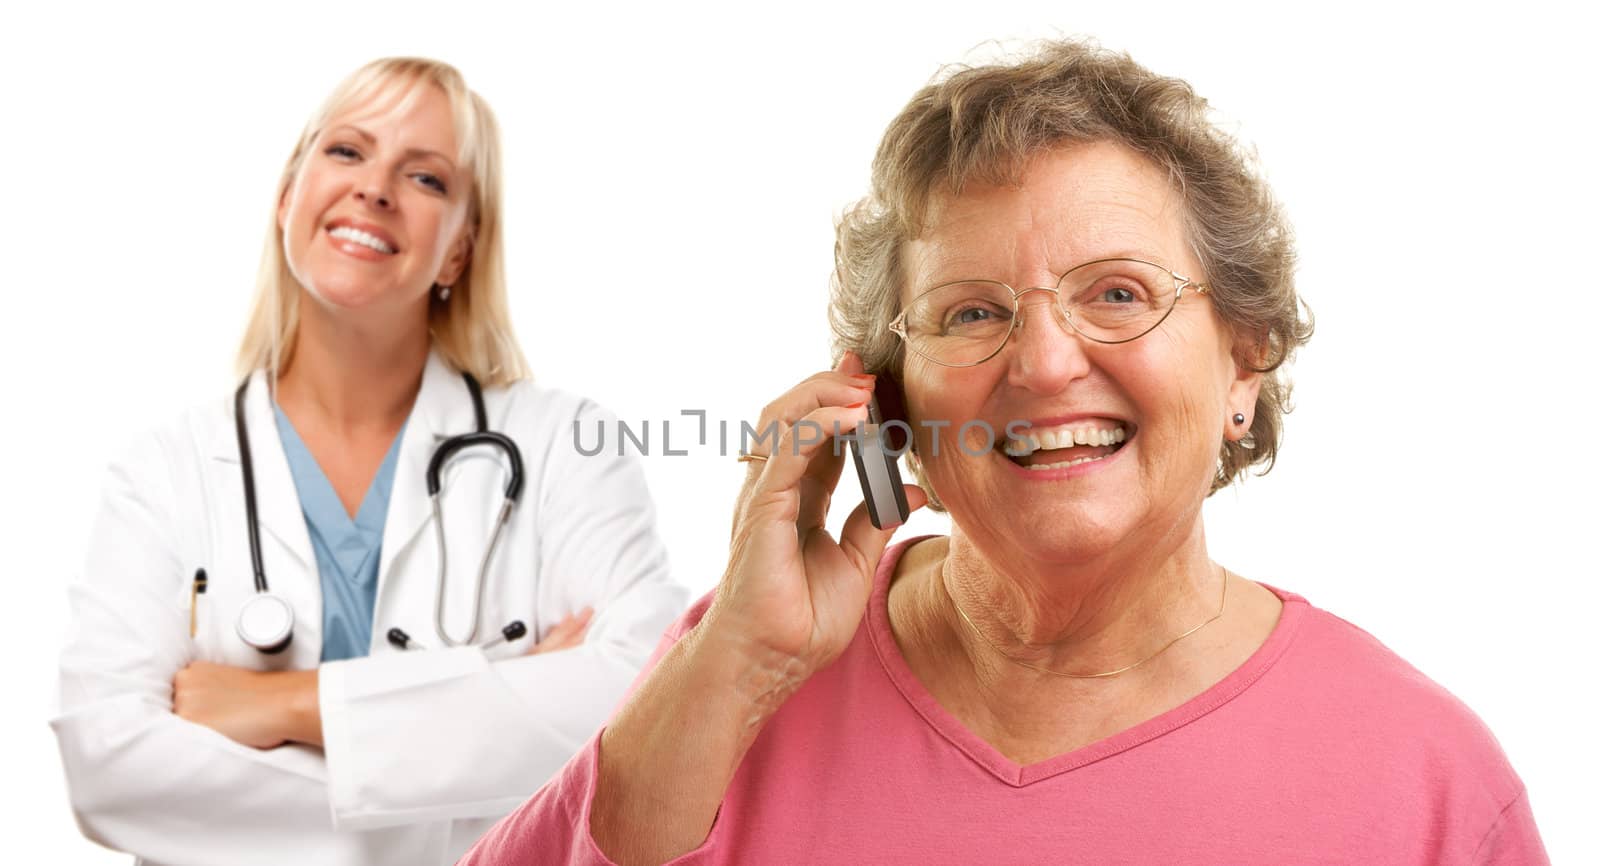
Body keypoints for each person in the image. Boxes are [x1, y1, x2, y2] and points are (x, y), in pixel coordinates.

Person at [459, 40, 1549, 864]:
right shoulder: (737, 666)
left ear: (1243, 363)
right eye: (970, 312)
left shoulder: (1424, 777)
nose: (1041, 360)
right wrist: (735, 666)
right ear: (886, 399)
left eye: (1118, 293)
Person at [50, 57, 687, 865]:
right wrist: (482, 759)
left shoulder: (562, 446)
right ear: (288, 197)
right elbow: (107, 767)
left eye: (426, 177)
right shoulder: (164, 472)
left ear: (460, 250)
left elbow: (646, 695)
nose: (375, 188)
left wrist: (287, 704)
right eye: (347, 152)